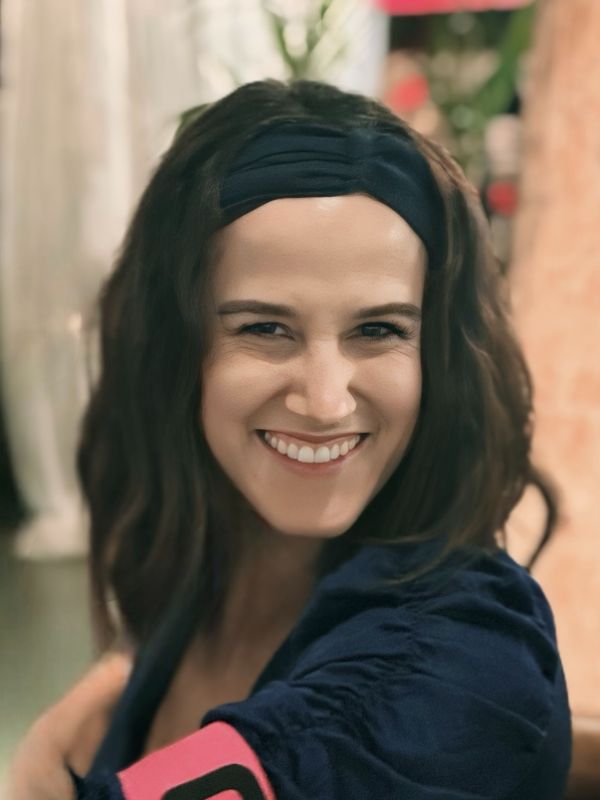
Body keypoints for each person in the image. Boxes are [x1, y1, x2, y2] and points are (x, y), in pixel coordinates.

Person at [8, 78, 571, 800]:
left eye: (378, 329)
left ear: (438, 356)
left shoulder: (462, 668)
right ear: (174, 348)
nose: (326, 401)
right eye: (266, 328)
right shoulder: (208, 567)